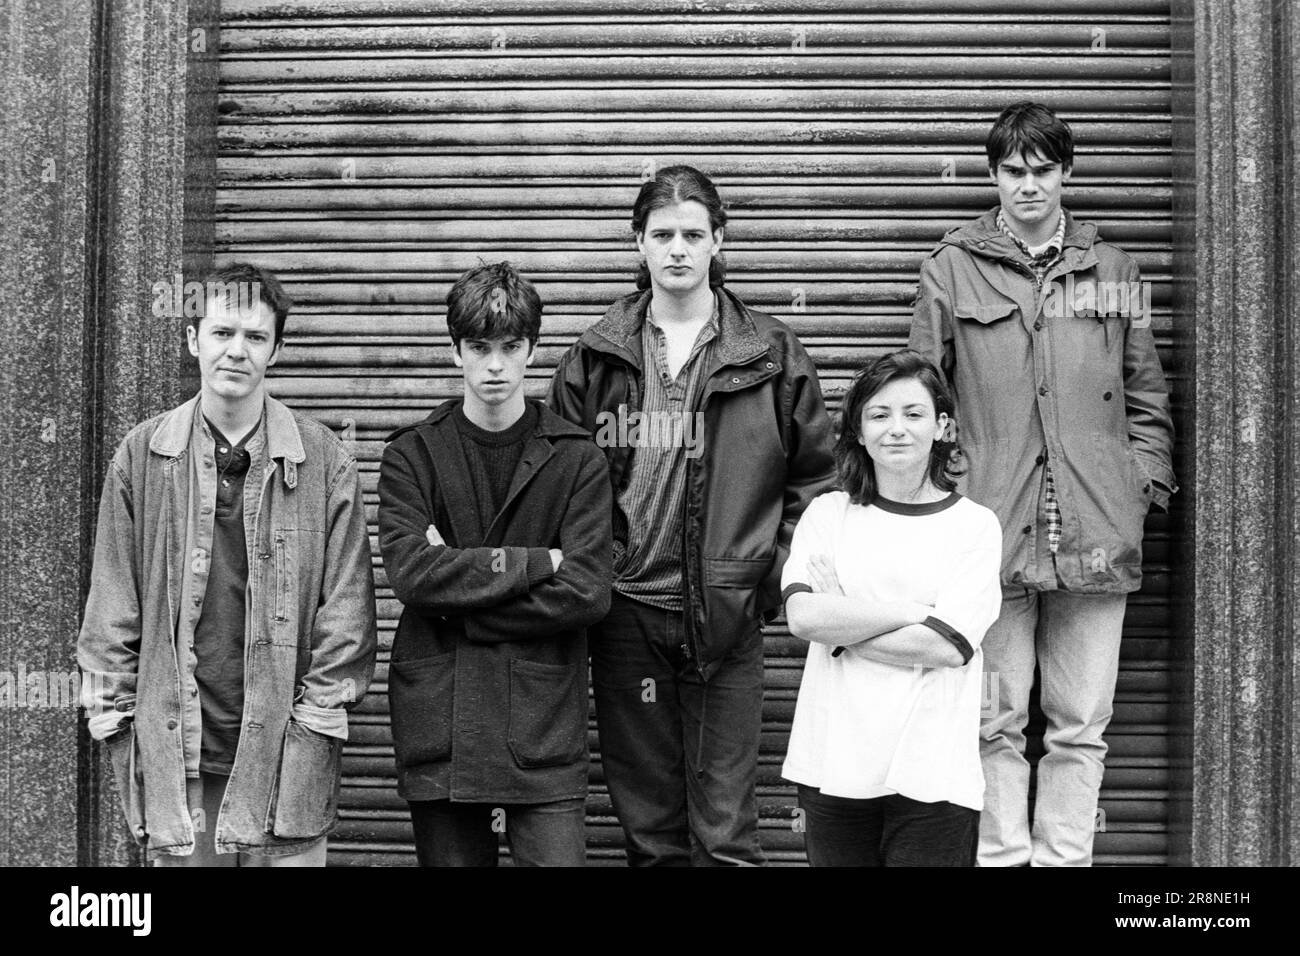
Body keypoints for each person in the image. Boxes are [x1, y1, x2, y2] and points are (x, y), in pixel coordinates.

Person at [909, 101, 1177, 866]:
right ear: (994, 175)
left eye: (1042, 170)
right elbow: (924, 393)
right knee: (991, 722)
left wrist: (1139, 486)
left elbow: (1147, 396)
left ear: (1066, 173)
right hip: (989, 529)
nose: (1028, 186)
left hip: (1095, 531)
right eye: (1013, 171)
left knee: (1079, 725)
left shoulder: (1115, 271)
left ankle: (1064, 862)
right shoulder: (950, 268)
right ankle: (1000, 860)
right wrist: (950, 494)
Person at [547, 165, 836, 866]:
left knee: (726, 832)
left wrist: (762, 579)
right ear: (637, 244)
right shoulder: (597, 356)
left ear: (719, 242)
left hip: (725, 618)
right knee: (649, 833)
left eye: (693, 234)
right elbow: (558, 482)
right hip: (625, 617)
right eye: (662, 234)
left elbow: (817, 480)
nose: (677, 249)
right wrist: (592, 578)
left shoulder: (769, 353)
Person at [78, 262, 378, 866]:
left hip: (283, 766)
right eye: (221, 333)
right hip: (178, 761)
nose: (236, 351)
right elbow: (111, 614)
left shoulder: (324, 463)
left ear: (277, 349)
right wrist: (118, 724)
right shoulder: (142, 458)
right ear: (193, 339)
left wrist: (312, 723)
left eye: (256, 337)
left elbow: (348, 624)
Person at [378, 261, 612, 867]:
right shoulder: (413, 454)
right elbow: (410, 573)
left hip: (541, 732)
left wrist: (461, 600)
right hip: (444, 729)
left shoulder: (577, 460)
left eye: (510, 347)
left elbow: (588, 593)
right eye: (479, 347)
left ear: (532, 349)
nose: (494, 367)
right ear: (456, 350)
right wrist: (541, 562)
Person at [781, 350, 1002, 866]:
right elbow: (804, 618)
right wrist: (910, 610)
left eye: (913, 413)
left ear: (942, 425)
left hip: (934, 771)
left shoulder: (974, 526)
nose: (896, 429)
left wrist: (845, 617)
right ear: (857, 430)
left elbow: (945, 647)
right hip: (834, 763)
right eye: (879, 415)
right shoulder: (827, 515)